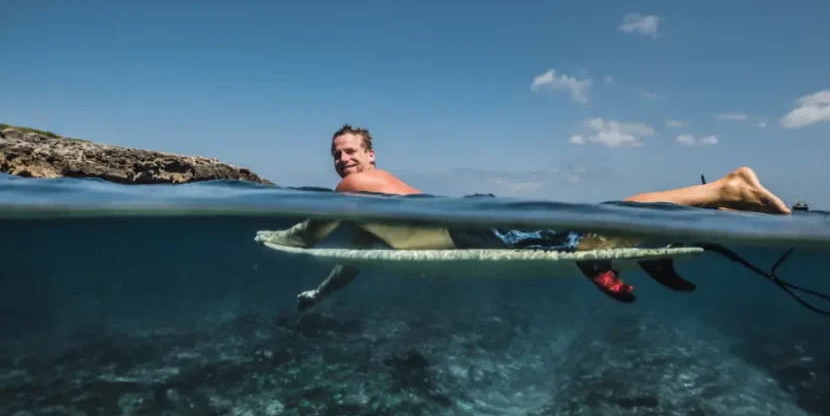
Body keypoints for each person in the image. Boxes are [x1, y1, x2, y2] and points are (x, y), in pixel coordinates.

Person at [255, 124, 792, 310]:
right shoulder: (363, 205)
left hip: (471, 228)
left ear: (370, 156)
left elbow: (313, 229)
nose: (342, 160)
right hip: (470, 224)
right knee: (592, 233)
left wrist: (282, 237)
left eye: (350, 151)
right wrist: (318, 295)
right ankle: (707, 209)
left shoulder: (350, 189)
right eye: (336, 154)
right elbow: (355, 257)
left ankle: (724, 187)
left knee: (597, 225)